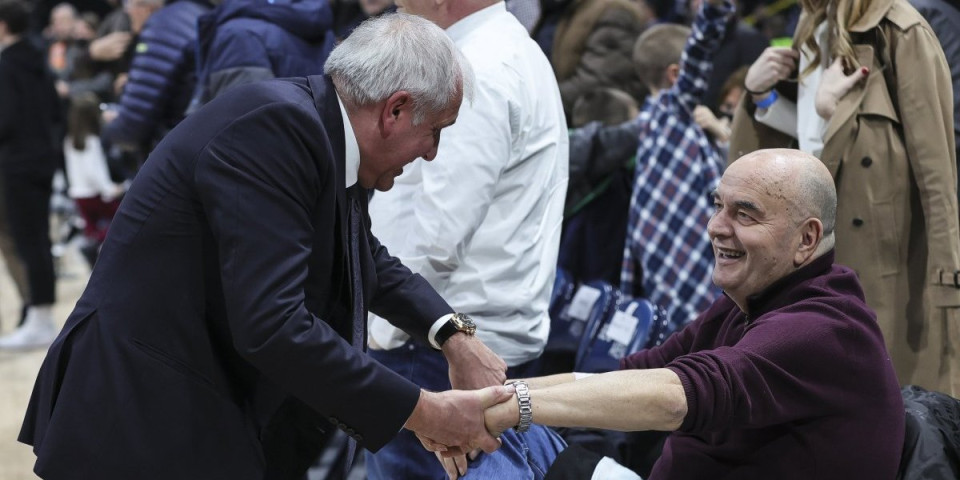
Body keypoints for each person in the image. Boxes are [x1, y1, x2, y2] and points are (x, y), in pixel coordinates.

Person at [19, 13, 513, 479]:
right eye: (435, 132)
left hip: (189, 402)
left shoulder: (324, 130)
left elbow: (364, 259)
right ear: (396, 109)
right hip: (136, 411)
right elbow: (273, 325)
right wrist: (424, 413)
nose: (432, 152)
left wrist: (453, 334)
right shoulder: (277, 129)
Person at [475, 148, 906, 479]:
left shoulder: (824, 328)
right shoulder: (747, 302)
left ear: (806, 240)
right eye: (718, 205)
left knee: (499, 440)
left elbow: (674, 397)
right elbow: (629, 375)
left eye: (744, 214)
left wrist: (514, 406)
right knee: (498, 437)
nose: (717, 226)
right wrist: (493, 399)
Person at [364, 1, 569, 478]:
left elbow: (438, 234)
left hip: (437, 350)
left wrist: (381, 332)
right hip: (456, 339)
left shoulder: (478, 65)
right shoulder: (503, 49)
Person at [729, 0, 960, 395]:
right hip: (812, 252)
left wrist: (947, 280)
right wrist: (761, 95)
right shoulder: (810, 28)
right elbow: (805, 146)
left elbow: (936, 171)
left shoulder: (899, 31)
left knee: (893, 408)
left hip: (884, 266)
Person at [620, 0, 729, 323]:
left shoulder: (649, 121)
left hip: (661, 277)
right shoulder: (671, 112)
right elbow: (701, 48)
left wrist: (719, 136)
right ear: (675, 75)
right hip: (693, 278)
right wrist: (716, 8)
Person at [0, 0, 62, 350]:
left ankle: (40, 320)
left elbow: (5, 120)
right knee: (40, 239)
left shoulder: (7, 64)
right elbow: (55, 109)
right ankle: (43, 318)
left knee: (28, 240)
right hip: (42, 159)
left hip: (18, 164)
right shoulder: (38, 58)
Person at [100, 0, 212, 155]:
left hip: (175, 154)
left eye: (129, 5)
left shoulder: (162, 26)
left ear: (145, 8)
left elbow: (132, 126)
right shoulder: (199, 11)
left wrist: (110, 126)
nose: (127, 12)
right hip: (201, 143)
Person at [189, 0, 337, 112]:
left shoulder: (239, 34)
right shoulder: (322, 30)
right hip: (304, 146)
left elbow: (240, 120)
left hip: (256, 148)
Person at [63, 92, 124, 267]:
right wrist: (110, 189)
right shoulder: (92, 142)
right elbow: (95, 172)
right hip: (96, 194)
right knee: (118, 222)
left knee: (92, 231)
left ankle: (95, 257)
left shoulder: (69, 140)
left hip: (79, 194)